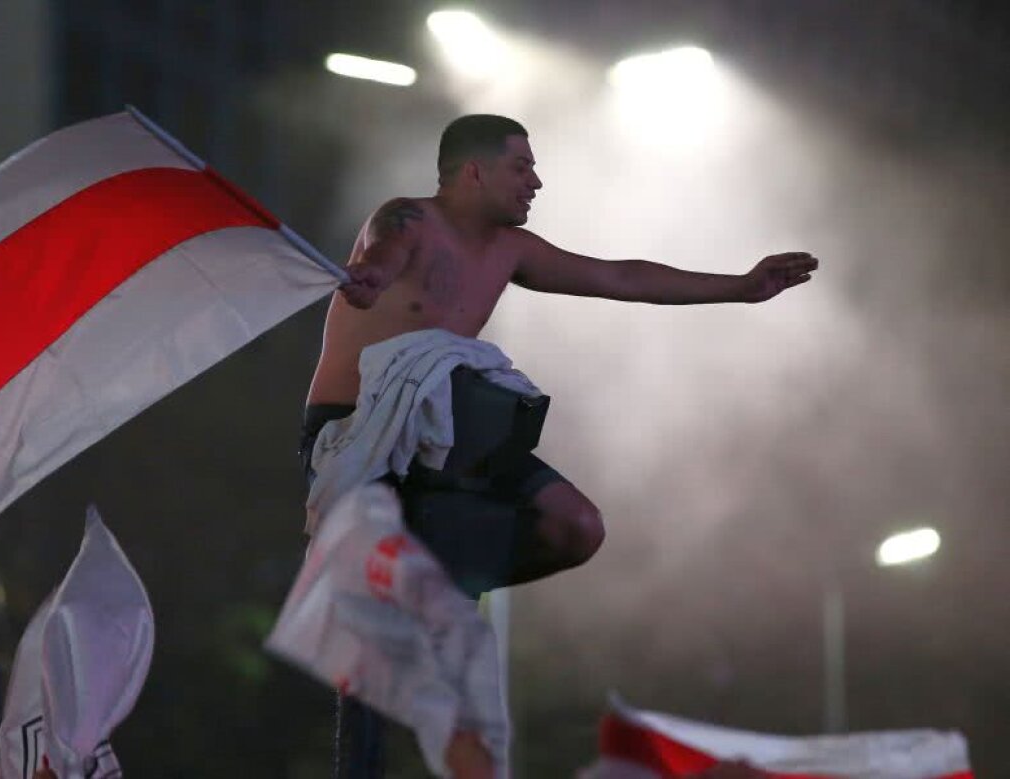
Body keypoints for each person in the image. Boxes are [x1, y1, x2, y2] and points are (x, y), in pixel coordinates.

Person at [301, 114, 818, 779]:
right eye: (522, 166)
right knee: (368, 643)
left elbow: (620, 277)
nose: (536, 181)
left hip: (451, 433)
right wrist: (369, 277)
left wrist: (739, 287)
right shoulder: (408, 221)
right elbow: (382, 252)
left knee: (577, 525)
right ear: (473, 171)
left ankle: (436, 594)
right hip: (360, 427)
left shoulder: (511, 249)